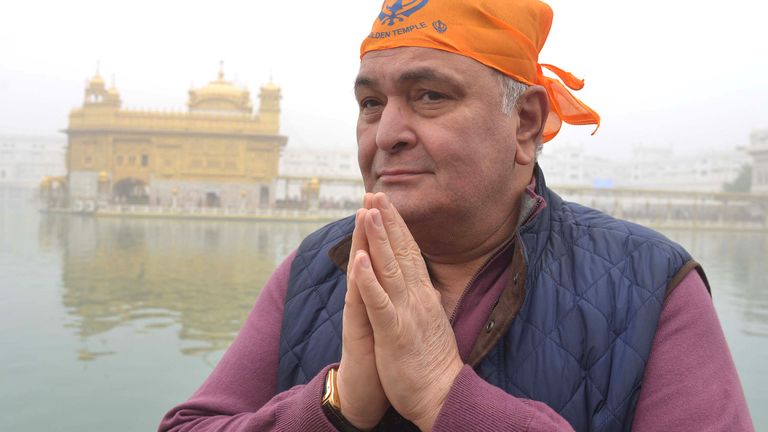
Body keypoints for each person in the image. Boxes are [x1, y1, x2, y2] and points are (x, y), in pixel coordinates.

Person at [159, 0, 754, 430]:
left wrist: (450, 398)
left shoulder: (650, 284)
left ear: (523, 123)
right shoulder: (318, 267)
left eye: (430, 96)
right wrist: (335, 405)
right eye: (371, 103)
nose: (387, 133)